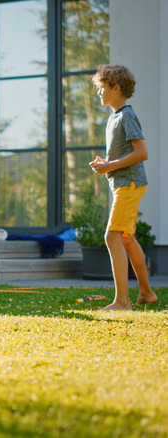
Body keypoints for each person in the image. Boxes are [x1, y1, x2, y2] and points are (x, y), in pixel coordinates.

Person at [89, 64, 158, 310]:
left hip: (129, 183)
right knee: (127, 239)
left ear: (116, 88)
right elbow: (128, 153)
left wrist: (111, 166)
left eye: (101, 88)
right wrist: (107, 164)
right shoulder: (115, 116)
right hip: (125, 182)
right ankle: (146, 293)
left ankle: (122, 301)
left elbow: (142, 152)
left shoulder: (127, 115)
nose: (98, 93)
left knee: (112, 237)